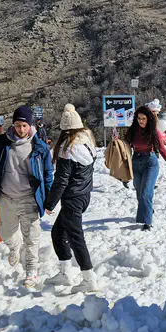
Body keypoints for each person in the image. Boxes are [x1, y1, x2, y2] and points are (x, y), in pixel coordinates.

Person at [0, 106, 54, 287]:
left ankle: (31, 271)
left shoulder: (39, 146)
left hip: (29, 198)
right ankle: (15, 247)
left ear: (30, 125)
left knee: (32, 237)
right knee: (5, 233)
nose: (21, 130)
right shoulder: (2, 143)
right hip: (6, 197)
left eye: (24, 125)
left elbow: (48, 173)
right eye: (17, 125)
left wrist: (49, 199)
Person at [43, 104, 99, 293]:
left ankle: (88, 278)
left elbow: (61, 180)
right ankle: (65, 273)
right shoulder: (87, 140)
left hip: (73, 198)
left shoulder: (69, 149)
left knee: (76, 238)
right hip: (83, 196)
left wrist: (50, 203)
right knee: (58, 233)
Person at [124, 106, 166, 230]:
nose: (141, 121)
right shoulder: (133, 131)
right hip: (136, 162)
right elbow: (125, 145)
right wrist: (117, 141)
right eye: (138, 118)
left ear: (148, 119)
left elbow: (162, 149)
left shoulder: (154, 132)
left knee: (146, 193)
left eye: (143, 118)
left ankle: (147, 222)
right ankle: (149, 210)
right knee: (139, 192)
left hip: (150, 163)